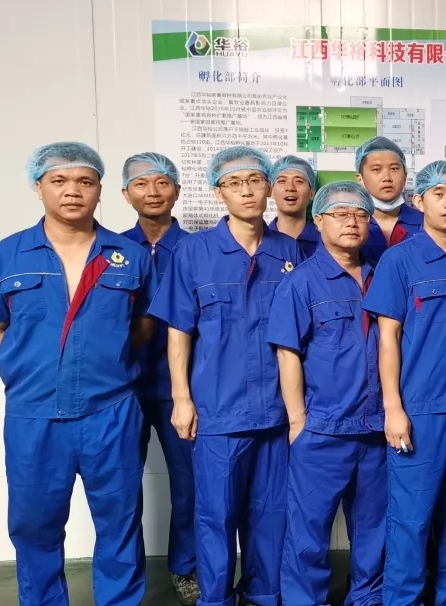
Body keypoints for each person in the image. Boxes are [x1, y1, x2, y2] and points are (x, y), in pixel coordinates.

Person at [0, 142, 155, 605]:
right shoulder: (4, 256)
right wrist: (34, 361)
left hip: (111, 412)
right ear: (39, 187)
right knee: (34, 525)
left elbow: (144, 324)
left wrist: (103, 360)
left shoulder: (130, 256)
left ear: (100, 191)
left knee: (119, 523)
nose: (73, 191)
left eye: (85, 181)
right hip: (34, 414)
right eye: (59, 180)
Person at [149, 145, 302, 606]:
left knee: (270, 513)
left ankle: (263, 595)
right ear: (219, 193)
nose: (247, 191)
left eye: (255, 181)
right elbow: (179, 331)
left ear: (269, 187)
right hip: (218, 409)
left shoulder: (288, 250)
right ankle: (215, 598)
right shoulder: (194, 252)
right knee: (216, 515)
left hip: (276, 410)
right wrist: (181, 398)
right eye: (234, 183)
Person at [363, 160, 446, 606]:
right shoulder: (399, 259)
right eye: (438, 193)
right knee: (412, 513)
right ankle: (404, 598)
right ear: (419, 201)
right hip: (420, 408)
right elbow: (388, 339)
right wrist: (393, 407)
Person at [269, 182, 386, 606]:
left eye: (360, 214)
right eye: (340, 214)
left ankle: (367, 597)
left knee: (374, 527)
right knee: (308, 531)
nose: (351, 222)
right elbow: (287, 353)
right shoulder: (301, 282)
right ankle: (305, 600)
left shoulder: (381, 276)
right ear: (318, 220)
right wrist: (298, 421)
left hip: (377, 428)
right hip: (322, 428)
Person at [119, 152, 198, 605]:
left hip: (179, 390)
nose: (153, 192)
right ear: (125, 194)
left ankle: (186, 567)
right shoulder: (110, 250)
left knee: (189, 486)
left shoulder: (198, 249)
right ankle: (124, 578)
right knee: (120, 489)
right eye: (142, 184)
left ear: (177, 191)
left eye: (163, 182)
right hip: (122, 388)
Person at [355, 136, 424, 264]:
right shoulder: (350, 225)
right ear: (360, 179)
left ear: (405, 177)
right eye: (376, 169)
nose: (386, 177)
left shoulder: (426, 223)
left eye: (394, 169)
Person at [269, 154, 321, 258]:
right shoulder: (258, 241)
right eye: (282, 181)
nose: (290, 188)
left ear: (312, 194)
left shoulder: (325, 242)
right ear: (271, 192)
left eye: (299, 181)